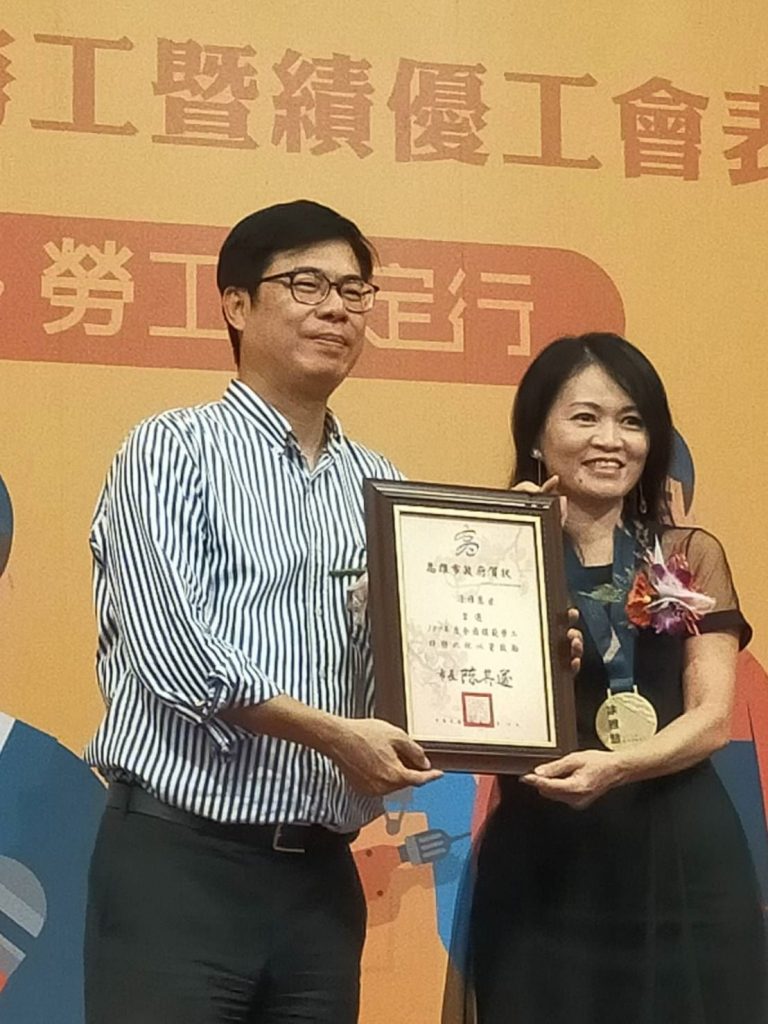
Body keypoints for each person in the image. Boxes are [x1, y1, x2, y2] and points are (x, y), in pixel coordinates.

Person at [83, 199, 445, 1024]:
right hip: (180, 863)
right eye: (306, 285)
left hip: (321, 879)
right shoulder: (171, 449)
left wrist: (526, 643)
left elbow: (414, 665)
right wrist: (333, 734)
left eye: (354, 292)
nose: (335, 310)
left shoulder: (384, 487)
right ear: (237, 304)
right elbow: (175, 654)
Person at [469, 333, 767, 1024]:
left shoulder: (683, 555)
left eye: (631, 421)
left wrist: (618, 766)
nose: (611, 440)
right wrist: (506, 542)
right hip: (543, 861)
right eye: (586, 417)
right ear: (537, 435)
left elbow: (711, 719)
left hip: (679, 858)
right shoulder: (487, 551)